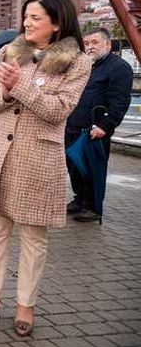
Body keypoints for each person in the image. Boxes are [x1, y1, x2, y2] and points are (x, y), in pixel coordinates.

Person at [0, 0, 91, 337]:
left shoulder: (77, 62)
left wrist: (19, 87)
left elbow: (58, 111)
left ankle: (26, 305)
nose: (27, 23)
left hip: (38, 158)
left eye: (35, 17)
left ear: (57, 22)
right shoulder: (9, 52)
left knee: (34, 236)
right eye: (26, 16)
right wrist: (6, 91)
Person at [65, 27, 133, 223]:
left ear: (107, 44)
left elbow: (120, 102)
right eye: (86, 44)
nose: (90, 47)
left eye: (94, 43)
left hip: (95, 130)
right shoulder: (87, 66)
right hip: (74, 127)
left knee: (92, 169)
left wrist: (105, 126)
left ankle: (93, 207)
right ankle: (80, 200)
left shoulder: (119, 68)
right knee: (75, 168)